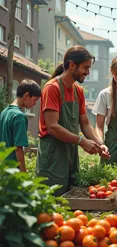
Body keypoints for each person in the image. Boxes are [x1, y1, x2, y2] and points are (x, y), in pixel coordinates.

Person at [35, 45, 110, 196]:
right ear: (71, 65)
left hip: (70, 152)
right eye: (86, 67)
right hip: (53, 153)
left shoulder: (78, 91)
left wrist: (99, 144)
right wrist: (82, 141)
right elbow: (52, 126)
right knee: (50, 200)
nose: (88, 72)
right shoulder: (52, 88)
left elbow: (85, 123)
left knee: (70, 197)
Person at [0, 79, 41, 172]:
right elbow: (18, 148)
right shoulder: (19, 116)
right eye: (35, 100)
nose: (35, 104)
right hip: (12, 169)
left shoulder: (4, 112)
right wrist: (23, 173)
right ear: (26, 95)